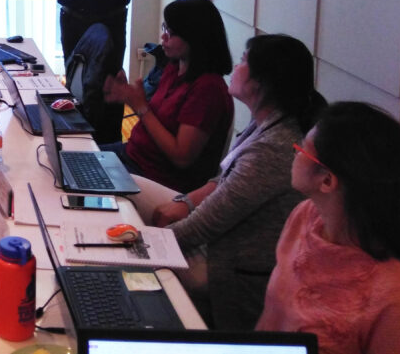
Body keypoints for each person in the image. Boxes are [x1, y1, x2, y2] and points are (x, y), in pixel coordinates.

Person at [128, 34, 326, 329]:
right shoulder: (266, 123)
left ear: (260, 83)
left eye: (244, 61)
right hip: (222, 235)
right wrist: (185, 202)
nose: (236, 66)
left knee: (133, 251)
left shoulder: (272, 149)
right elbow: (223, 179)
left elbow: (204, 227)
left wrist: (139, 246)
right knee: (129, 187)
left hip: (229, 262)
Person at [257, 102, 400, 353]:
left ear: (327, 180)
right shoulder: (304, 217)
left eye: (301, 149)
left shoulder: (397, 296)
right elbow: (270, 318)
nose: (294, 152)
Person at [102, 0, 233, 193]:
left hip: (156, 179)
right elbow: (159, 118)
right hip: (133, 156)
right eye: (165, 28)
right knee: (66, 159)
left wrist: (141, 107)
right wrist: (129, 94)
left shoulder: (208, 89)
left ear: (194, 38)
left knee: (68, 173)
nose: (163, 37)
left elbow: (181, 157)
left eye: (171, 33)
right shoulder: (174, 67)